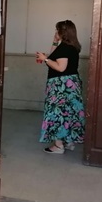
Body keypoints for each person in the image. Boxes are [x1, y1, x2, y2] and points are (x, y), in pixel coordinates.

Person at [35, 20, 86, 154]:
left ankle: (58, 146)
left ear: (62, 32)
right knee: (69, 113)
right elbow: (54, 56)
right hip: (71, 84)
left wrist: (45, 59)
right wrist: (54, 42)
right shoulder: (72, 46)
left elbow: (60, 67)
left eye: (57, 30)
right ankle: (68, 141)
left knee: (57, 113)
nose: (55, 32)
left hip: (61, 86)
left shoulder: (64, 48)